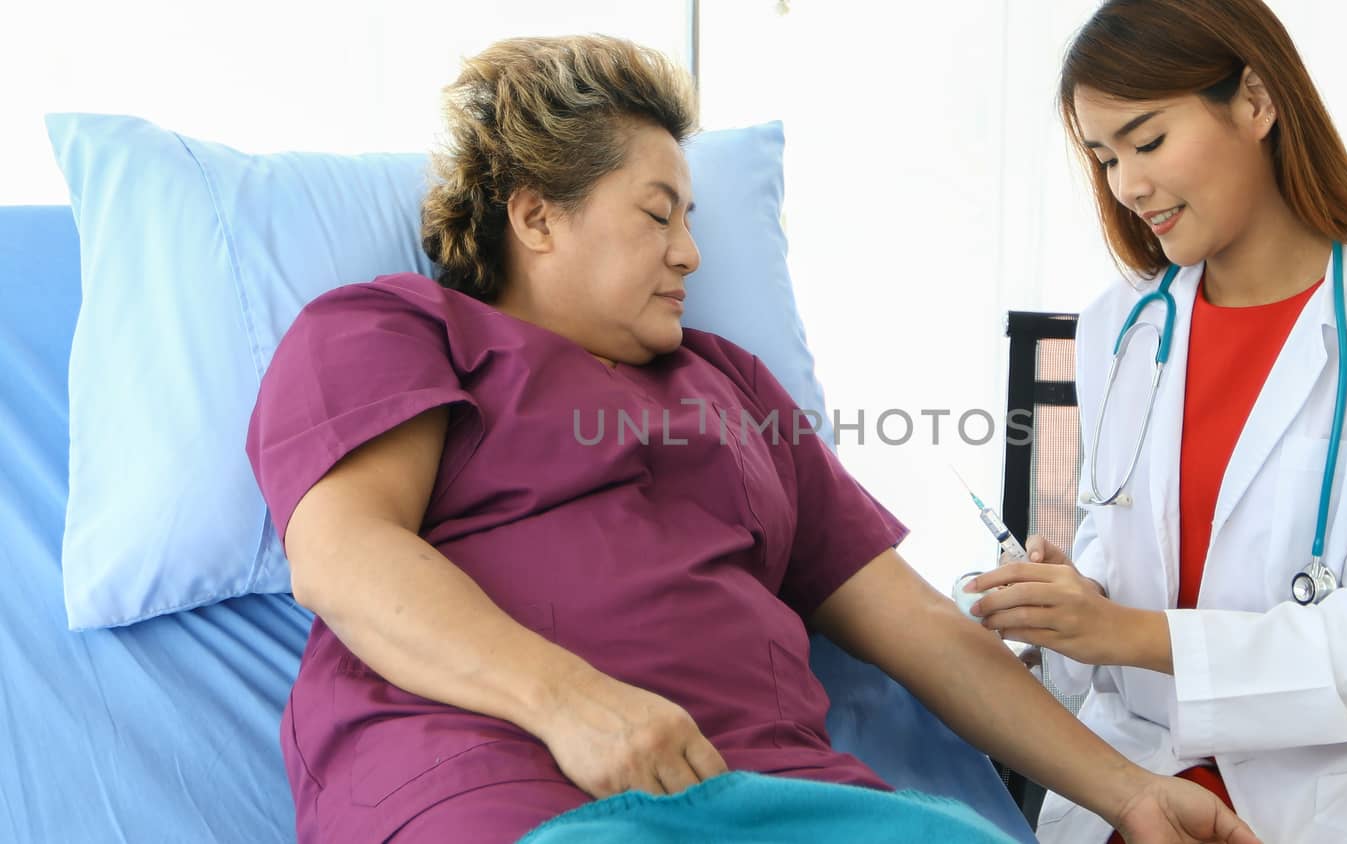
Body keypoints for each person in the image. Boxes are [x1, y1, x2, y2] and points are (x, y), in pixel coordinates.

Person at [246, 35, 1259, 844]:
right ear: (536, 215)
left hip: (783, 796)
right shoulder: (397, 328)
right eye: (657, 215)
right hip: (505, 781)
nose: (690, 252)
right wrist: (572, 703)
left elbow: (919, 629)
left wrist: (1131, 793)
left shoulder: (728, 382)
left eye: (691, 216)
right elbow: (342, 552)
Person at [964, 1, 1347, 842]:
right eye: (1104, 156)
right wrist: (1075, 599)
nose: (1127, 185)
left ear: (1257, 101)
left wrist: (1126, 631)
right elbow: (1121, 547)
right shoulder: (1118, 328)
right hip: (1152, 762)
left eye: (1147, 141)